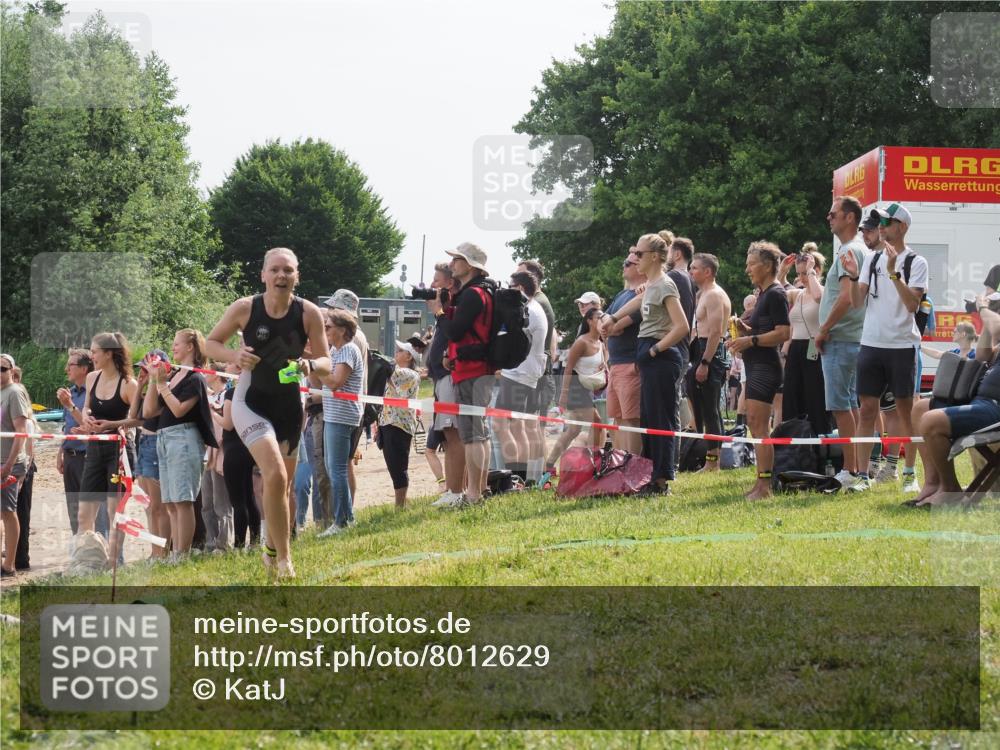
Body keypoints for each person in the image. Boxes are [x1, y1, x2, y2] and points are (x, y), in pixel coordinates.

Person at [205, 247, 331, 579]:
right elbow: (210, 343)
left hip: (289, 406)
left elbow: (327, 363)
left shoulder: (308, 313)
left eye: (288, 270)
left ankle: (271, 549)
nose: (281, 276)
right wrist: (235, 353)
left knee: (284, 486)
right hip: (250, 402)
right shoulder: (246, 308)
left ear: (296, 276)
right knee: (273, 475)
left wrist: (309, 364)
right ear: (263, 275)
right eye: (274, 270)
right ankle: (285, 560)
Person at [841, 203, 928, 494]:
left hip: (902, 345)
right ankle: (863, 476)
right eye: (880, 223)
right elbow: (856, 303)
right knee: (867, 410)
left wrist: (893, 273)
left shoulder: (916, 261)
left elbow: (913, 305)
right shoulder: (872, 258)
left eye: (888, 223)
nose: (882, 228)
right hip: (871, 344)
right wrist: (853, 277)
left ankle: (909, 473)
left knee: (906, 412)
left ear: (901, 227)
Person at [604, 233, 691, 494]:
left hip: (661, 357)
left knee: (660, 421)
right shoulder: (652, 285)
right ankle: (651, 476)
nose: (634, 258)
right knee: (650, 420)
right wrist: (612, 316)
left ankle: (661, 480)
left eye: (639, 254)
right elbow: (637, 301)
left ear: (654, 256)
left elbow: (682, 326)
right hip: (648, 355)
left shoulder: (664, 285)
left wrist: (655, 349)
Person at [428, 243, 497, 508]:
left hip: (473, 370)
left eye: (457, 259)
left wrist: (439, 311)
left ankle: (474, 494)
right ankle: (479, 489)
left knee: (472, 435)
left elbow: (455, 331)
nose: (453, 264)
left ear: (470, 265)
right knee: (479, 433)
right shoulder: (479, 292)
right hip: (474, 368)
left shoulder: (473, 294)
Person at [914, 295, 1000, 506]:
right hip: (980, 401)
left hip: (994, 408)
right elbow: (981, 356)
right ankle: (934, 483)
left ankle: (950, 489)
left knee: (931, 421)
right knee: (920, 409)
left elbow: (996, 326)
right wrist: (987, 326)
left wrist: (982, 307)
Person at [143, 330, 218, 557]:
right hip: (164, 438)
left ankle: (181, 555)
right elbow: (149, 411)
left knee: (183, 500)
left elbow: (178, 409)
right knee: (170, 502)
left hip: (184, 438)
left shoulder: (194, 378)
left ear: (190, 347)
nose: (173, 348)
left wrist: (163, 386)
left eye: (177, 344)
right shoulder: (173, 375)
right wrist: (155, 381)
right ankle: (175, 552)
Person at [727, 242, 791, 500]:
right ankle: (760, 483)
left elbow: (783, 332)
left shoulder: (776, 294)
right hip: (756, 365)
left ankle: (765, 487)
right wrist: (743, 328)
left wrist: (749, 341)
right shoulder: (763, 294)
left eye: (751, 264)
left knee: (759, 426)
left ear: (767, 265)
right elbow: (764, 329)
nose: (747, 269)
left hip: (766, 367)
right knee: (754, 424)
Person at [814, 197, 869, 488]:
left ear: (850, 218)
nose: (828, 217)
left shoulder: (850, 250)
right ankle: (859, 468)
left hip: (840, 339)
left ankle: (850, 470)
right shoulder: (855, 249)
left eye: (833, 213)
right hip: (849, 339)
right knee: (851, 405)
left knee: (840, 406)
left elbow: (846, 298)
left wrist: (823, 329)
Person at [73, 332, 138, 564]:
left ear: (109, 353)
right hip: (95, 448)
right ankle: (86, 561)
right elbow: (87, 408)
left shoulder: (129, 384)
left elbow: (139, 420)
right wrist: (87, 419)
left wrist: (112, 425)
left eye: (94, 352)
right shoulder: (92, 378)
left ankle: (114, 562)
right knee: (84, 514)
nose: (92, 356)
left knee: (114, 512)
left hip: (119, 450)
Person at [493, 271, 548, 484]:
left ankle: (515, 478)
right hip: (524, 373)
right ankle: (522, 479)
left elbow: (512, 341)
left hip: (518, 374)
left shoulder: (527, 310)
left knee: (501, 425)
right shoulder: (535, 308)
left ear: (520, 288)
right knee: (517, 426)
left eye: (510, 285)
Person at [318, 308, 364, 535]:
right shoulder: (336, 352)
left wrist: (314, 368)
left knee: (336, 470)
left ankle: (341, 522)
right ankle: (346, 519)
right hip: (334, 414)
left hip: (342, 416)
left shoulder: (347, 349)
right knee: (333, 468)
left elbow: (335, 382)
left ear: (343, 330)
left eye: (328, 326)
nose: (324, 330)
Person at [425, 263, 466, 508]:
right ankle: (452, 489)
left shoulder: (454, 307)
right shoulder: (447, 308)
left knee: (454, 434)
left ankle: (457, 491)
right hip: (441, 379)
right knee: (448, 437)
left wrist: (440, 311)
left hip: (450, 377)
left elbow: (454, 333)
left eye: (436, 280)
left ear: (449, 284)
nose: (432, 286)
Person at [56, 350, 110, 537]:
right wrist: (61, 452)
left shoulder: (95, 393)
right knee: (74, 509)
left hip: (89, 457)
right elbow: (67, 426)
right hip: (71, 456)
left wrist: (70, 406)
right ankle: (79, 549)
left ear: (84, 368)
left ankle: (99, 550)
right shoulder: (70, 393)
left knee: (95, 510)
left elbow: (90, 427)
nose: (66, 369)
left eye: (70, 365)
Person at [686, 253, 732, 468]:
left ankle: (713, 462)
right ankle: (711, 458)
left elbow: (715, 333)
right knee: (702, 407)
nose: (691, 271)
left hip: (711, 352)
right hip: (701, 350)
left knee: (710, 409)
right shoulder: (701, 294)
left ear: (707, 272)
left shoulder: (714, 295)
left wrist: (705, 362)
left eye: (694, 268)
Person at [547, 307, 607, 469]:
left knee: (573, 430)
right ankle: (592, 465)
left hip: (587, 389)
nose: (602, 320)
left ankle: (549, 464)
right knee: (598, 423)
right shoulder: (581, 342)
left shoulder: (601, 342)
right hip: (575, 388)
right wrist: (564, 395)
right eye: (599, 317)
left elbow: (604, 365)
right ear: (589, 321)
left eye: (604, 317)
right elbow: (568, 368)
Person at [782, 243, 830, 436]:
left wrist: (811, 273)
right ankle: (792, 439)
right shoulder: (798, 294)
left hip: (815, 348)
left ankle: (820, 439)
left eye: (804, 273)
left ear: (816, 271)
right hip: (797, 348)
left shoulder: (825, 291)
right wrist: (782, 272)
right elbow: (774, 293)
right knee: (792, 396)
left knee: (815, 397)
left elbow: (818, 296)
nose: (801, 278)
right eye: (799, 274)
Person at [516, 259, 558, 481]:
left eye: (519, 275)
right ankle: (540, 475)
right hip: (541, 371)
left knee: (533, 427)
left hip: (539, 374)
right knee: (534, 427)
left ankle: (536, 477)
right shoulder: (539, 301)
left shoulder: (537, 303)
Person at [603, 248, 645, 455]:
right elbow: (603, 324)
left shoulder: (642, 295)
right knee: (617, 418)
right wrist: (608, 326)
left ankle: (634, 466)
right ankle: (619, 465)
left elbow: (615, 326)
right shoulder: (622, 294)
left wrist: (609, 326)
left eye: (628, 264)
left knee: (631, 418)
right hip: (616, 364)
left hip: (631, 362)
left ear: (640, 267)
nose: (623, 266)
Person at [129, 350, 168, 558]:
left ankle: (162, 551)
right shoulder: (148, 390)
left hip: (155, 442)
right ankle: (155, 551)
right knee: (148, 506)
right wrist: (140, 387)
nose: (143, 373)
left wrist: (151, 382)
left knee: (158, 505)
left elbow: (146, 414)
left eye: (146, 369)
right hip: (143, 442)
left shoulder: (163, 389)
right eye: (142, 369)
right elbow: (133, 415)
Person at [376, 340, 422, 508]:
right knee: (393, 465)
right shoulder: (400, 373)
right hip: (389, 422)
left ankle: (400, 505)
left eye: (400, 350)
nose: (396, 353)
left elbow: (390, 371)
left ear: (409, 356)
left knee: (398, 466)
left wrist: (376, 358)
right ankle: (402, 502)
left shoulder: (409, 374)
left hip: (399, 425)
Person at [221, 362, 260, 550]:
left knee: (238, 500)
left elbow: (227, 424)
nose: (225, 367)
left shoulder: (232, 393)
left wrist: (211, 412)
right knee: (249, 496)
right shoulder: (254, 393)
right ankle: (254, 541)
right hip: (248, 445)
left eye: (229, 366)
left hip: (234, 448)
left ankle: (238, 544)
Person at [1, 353, 31, 578]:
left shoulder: (15, 393)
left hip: (9, 462)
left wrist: (9, 464)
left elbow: (21, 432)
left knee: (8, 511)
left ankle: (9, 564)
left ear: (12, 370)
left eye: (3, 368)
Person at [201, 362, 233, 550]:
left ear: (216, 375)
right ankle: (210, 541)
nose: (205, 374)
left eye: (208, 371)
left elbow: (223, 427)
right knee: (206, 503)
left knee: (221, 502)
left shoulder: (225, 397)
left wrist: (212, 410)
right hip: (206, 455)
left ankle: (224, 543)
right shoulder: (209, 397)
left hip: (220, 453)